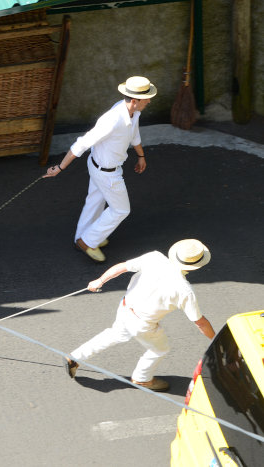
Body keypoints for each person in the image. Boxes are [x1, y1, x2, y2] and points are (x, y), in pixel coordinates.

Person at [64, 239, 216, 392]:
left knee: (114, 334)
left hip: (125, 307)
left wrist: (100, 280)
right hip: (143, 324)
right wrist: (214, 340)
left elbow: (122, 267)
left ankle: (75, 357)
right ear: (195, 267)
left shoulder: (154, 258)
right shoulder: (185, 291)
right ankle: (142, 379)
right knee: (160, 349)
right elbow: (200, 322)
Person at [43, 76, 157, 263]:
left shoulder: (133, 112)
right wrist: (60, 168)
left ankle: (81, 236)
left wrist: (141, 155)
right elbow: (82, 143)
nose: (150, 101)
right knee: (121, 210)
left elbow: (134, 135)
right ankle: (88, 241)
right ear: (135, 100)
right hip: (107, 173)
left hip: (99, 167)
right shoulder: (112, 120)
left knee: (94, 201)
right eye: (147, 98)